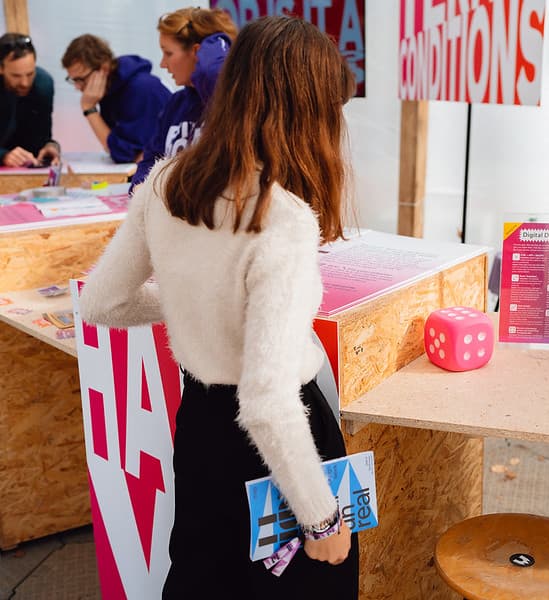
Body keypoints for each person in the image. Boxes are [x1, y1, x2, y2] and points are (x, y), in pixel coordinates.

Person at [79, 15, 358, 598]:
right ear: (309, 108)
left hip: (201, 428)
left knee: (202, 575)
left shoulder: (164, 182)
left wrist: (191, 305)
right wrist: (322, 518)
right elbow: (267, 402)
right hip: (281, 443)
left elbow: (102, 303)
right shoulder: (281, 219)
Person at [130, 7, 236, 187]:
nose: (163, 64)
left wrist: (214, 41)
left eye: (168, 53)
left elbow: (211, 72)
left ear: (196, 52)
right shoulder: (176, 103)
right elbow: (150, 161)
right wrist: (140, 193)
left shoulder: (230, 101)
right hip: (166, 209)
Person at [61, 34, 171, 164]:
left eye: (81, 79)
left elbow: (124, 154)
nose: (78, 87)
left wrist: (89, 109)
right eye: (73, 80)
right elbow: (114, 147)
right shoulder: (109, 91)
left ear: (104, 68)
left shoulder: (142, 88)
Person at [0, 33, 60, 167]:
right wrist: (3, 155)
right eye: (16, 76)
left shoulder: (43, 84)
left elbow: (41, 138)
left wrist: (50, 147)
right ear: (1, 69)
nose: (25, 83)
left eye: (30, 73)